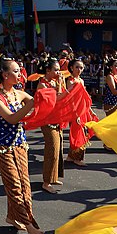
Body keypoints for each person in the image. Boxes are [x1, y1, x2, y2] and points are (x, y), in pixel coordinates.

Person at [0, 58, 43, 234]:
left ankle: (13, 217)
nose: (20, 73)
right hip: (5, 149)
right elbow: (12, 118)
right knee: (15, 186)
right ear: (5, 75)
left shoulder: (19, 93)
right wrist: (30, 104)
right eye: (16, 71)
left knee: (25, 186)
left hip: (20, 145)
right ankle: (28, 224)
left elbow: (38, 102)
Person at [37, 58, 67, 193]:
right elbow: (56, 98)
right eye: (55, 70)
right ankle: (46, 182)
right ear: (48, 71)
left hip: (57, 119)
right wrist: (62, 85)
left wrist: (62, 83)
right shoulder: (42, 85)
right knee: (52, 151)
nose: (58, 72)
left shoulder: (55, 81)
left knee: (58, 150)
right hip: (47, 120)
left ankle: (53, 177)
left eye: (58, 69)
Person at [66, 58, 89, 166]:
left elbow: (84, 97)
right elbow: (70, 99)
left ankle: (71, 156)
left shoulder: (81, 80)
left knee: (80, 132)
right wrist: (75, 114)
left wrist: (90, 111)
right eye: (77, 67)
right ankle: (77, 158)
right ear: (71, 68)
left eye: (81, 67)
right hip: (74, 111)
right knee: (78, 133)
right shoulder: (70, 81)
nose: (79, 69)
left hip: (82, 109)